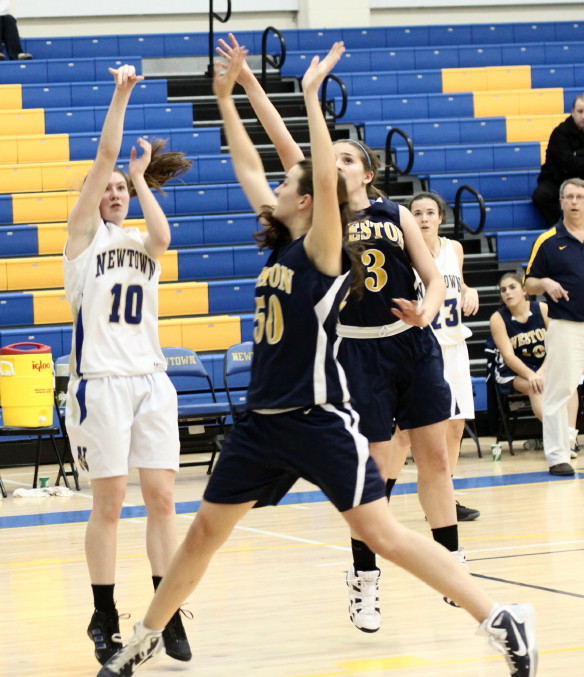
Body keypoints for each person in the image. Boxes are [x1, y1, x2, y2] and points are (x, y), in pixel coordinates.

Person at [97, 43, 537, 677]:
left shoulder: (323, 251)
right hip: (261, 423)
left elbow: (319, 174)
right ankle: (145, 636)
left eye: (287, 185)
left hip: (317, 419)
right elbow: (248, 162)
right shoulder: (280, 246)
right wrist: (224, 99)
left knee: (382, 534)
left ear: (309, 201)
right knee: (203, 534)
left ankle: (499, 618)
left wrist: (308, 96)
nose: (274, 187)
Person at [213, 34, 467, 636]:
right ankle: (365, 579)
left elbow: (434, 277)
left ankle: (453, 566)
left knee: (435, 457)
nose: (338, 163)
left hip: (410, 343)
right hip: (353, 350)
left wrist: (427, 310)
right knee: (374, 473)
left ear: (368, 173)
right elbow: (283, 141)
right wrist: (248, 84)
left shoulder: (395, 213)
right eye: (336, 158)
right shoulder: (321, 217)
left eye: (349, 159)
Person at [63, 63, 192, 665]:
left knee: (163, 499)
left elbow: (164, 239)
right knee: (110, 504)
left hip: (150, 381)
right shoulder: (81, 240)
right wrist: (121, 95)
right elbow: (104, 155)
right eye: (108, 187)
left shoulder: (143, 241)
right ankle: (104, 612)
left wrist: (140, 178)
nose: (114, 192)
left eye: (121, 188)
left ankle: (166, 611)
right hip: (101, 385)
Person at [391, 191, 481, 523]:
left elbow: (459, 284)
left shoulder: (454, 249)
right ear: (408, 219)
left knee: (456, 426)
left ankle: (446, 499)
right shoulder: (402, 252)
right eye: (417, 213)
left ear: (441, 217)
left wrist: (469, 291)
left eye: (430, 212)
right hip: (421, 347)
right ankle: (379, 499)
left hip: (454, 345)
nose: (424, 218)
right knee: (404, 433)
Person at [525, 177, 584, 476]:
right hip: (566, 326)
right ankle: (558, 456)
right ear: (561, 202)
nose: (574, 202)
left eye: (580, 197)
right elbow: (528, 284)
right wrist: (544, 282)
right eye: (569, 196)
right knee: (560, 391)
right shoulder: (547, 240)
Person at [490, 272, 579, 454]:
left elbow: (556, 345)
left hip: (546, 363)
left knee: (569, 383)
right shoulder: (497, 319)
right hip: (514, 371)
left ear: (524, 291)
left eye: (512, 287)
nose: (507, 293)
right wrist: (532, 375)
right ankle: (559, 436)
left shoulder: (543, 309)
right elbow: (508, 357)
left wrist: (542, 372)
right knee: (536, 387)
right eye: (503, 290)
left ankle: (570, 436)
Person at [532, 94, 584, 227]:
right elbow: (568, 163)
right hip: (558, 179)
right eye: (580, 111)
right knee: (540, 195)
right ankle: (562, 227)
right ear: (573, 112)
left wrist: (579, 153)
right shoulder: (560, 132)